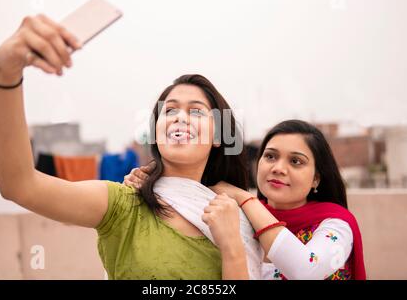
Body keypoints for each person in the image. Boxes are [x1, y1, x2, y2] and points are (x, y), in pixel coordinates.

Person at [0, 14, 251, 279]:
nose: (180, 117)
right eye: (170, 110)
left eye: (196, 112)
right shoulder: (123, 205)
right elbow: (19, 185)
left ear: (218, 135)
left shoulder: (237, 218)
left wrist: (232, 248)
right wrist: (5, 70)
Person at [126, 120, 367, 280]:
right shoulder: (240, 218)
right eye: (270, 156)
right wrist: (148, 181)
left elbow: (307, 269)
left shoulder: (336, 225)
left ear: (316, 179)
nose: (278, 168)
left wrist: (244, 197)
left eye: (296, 161)